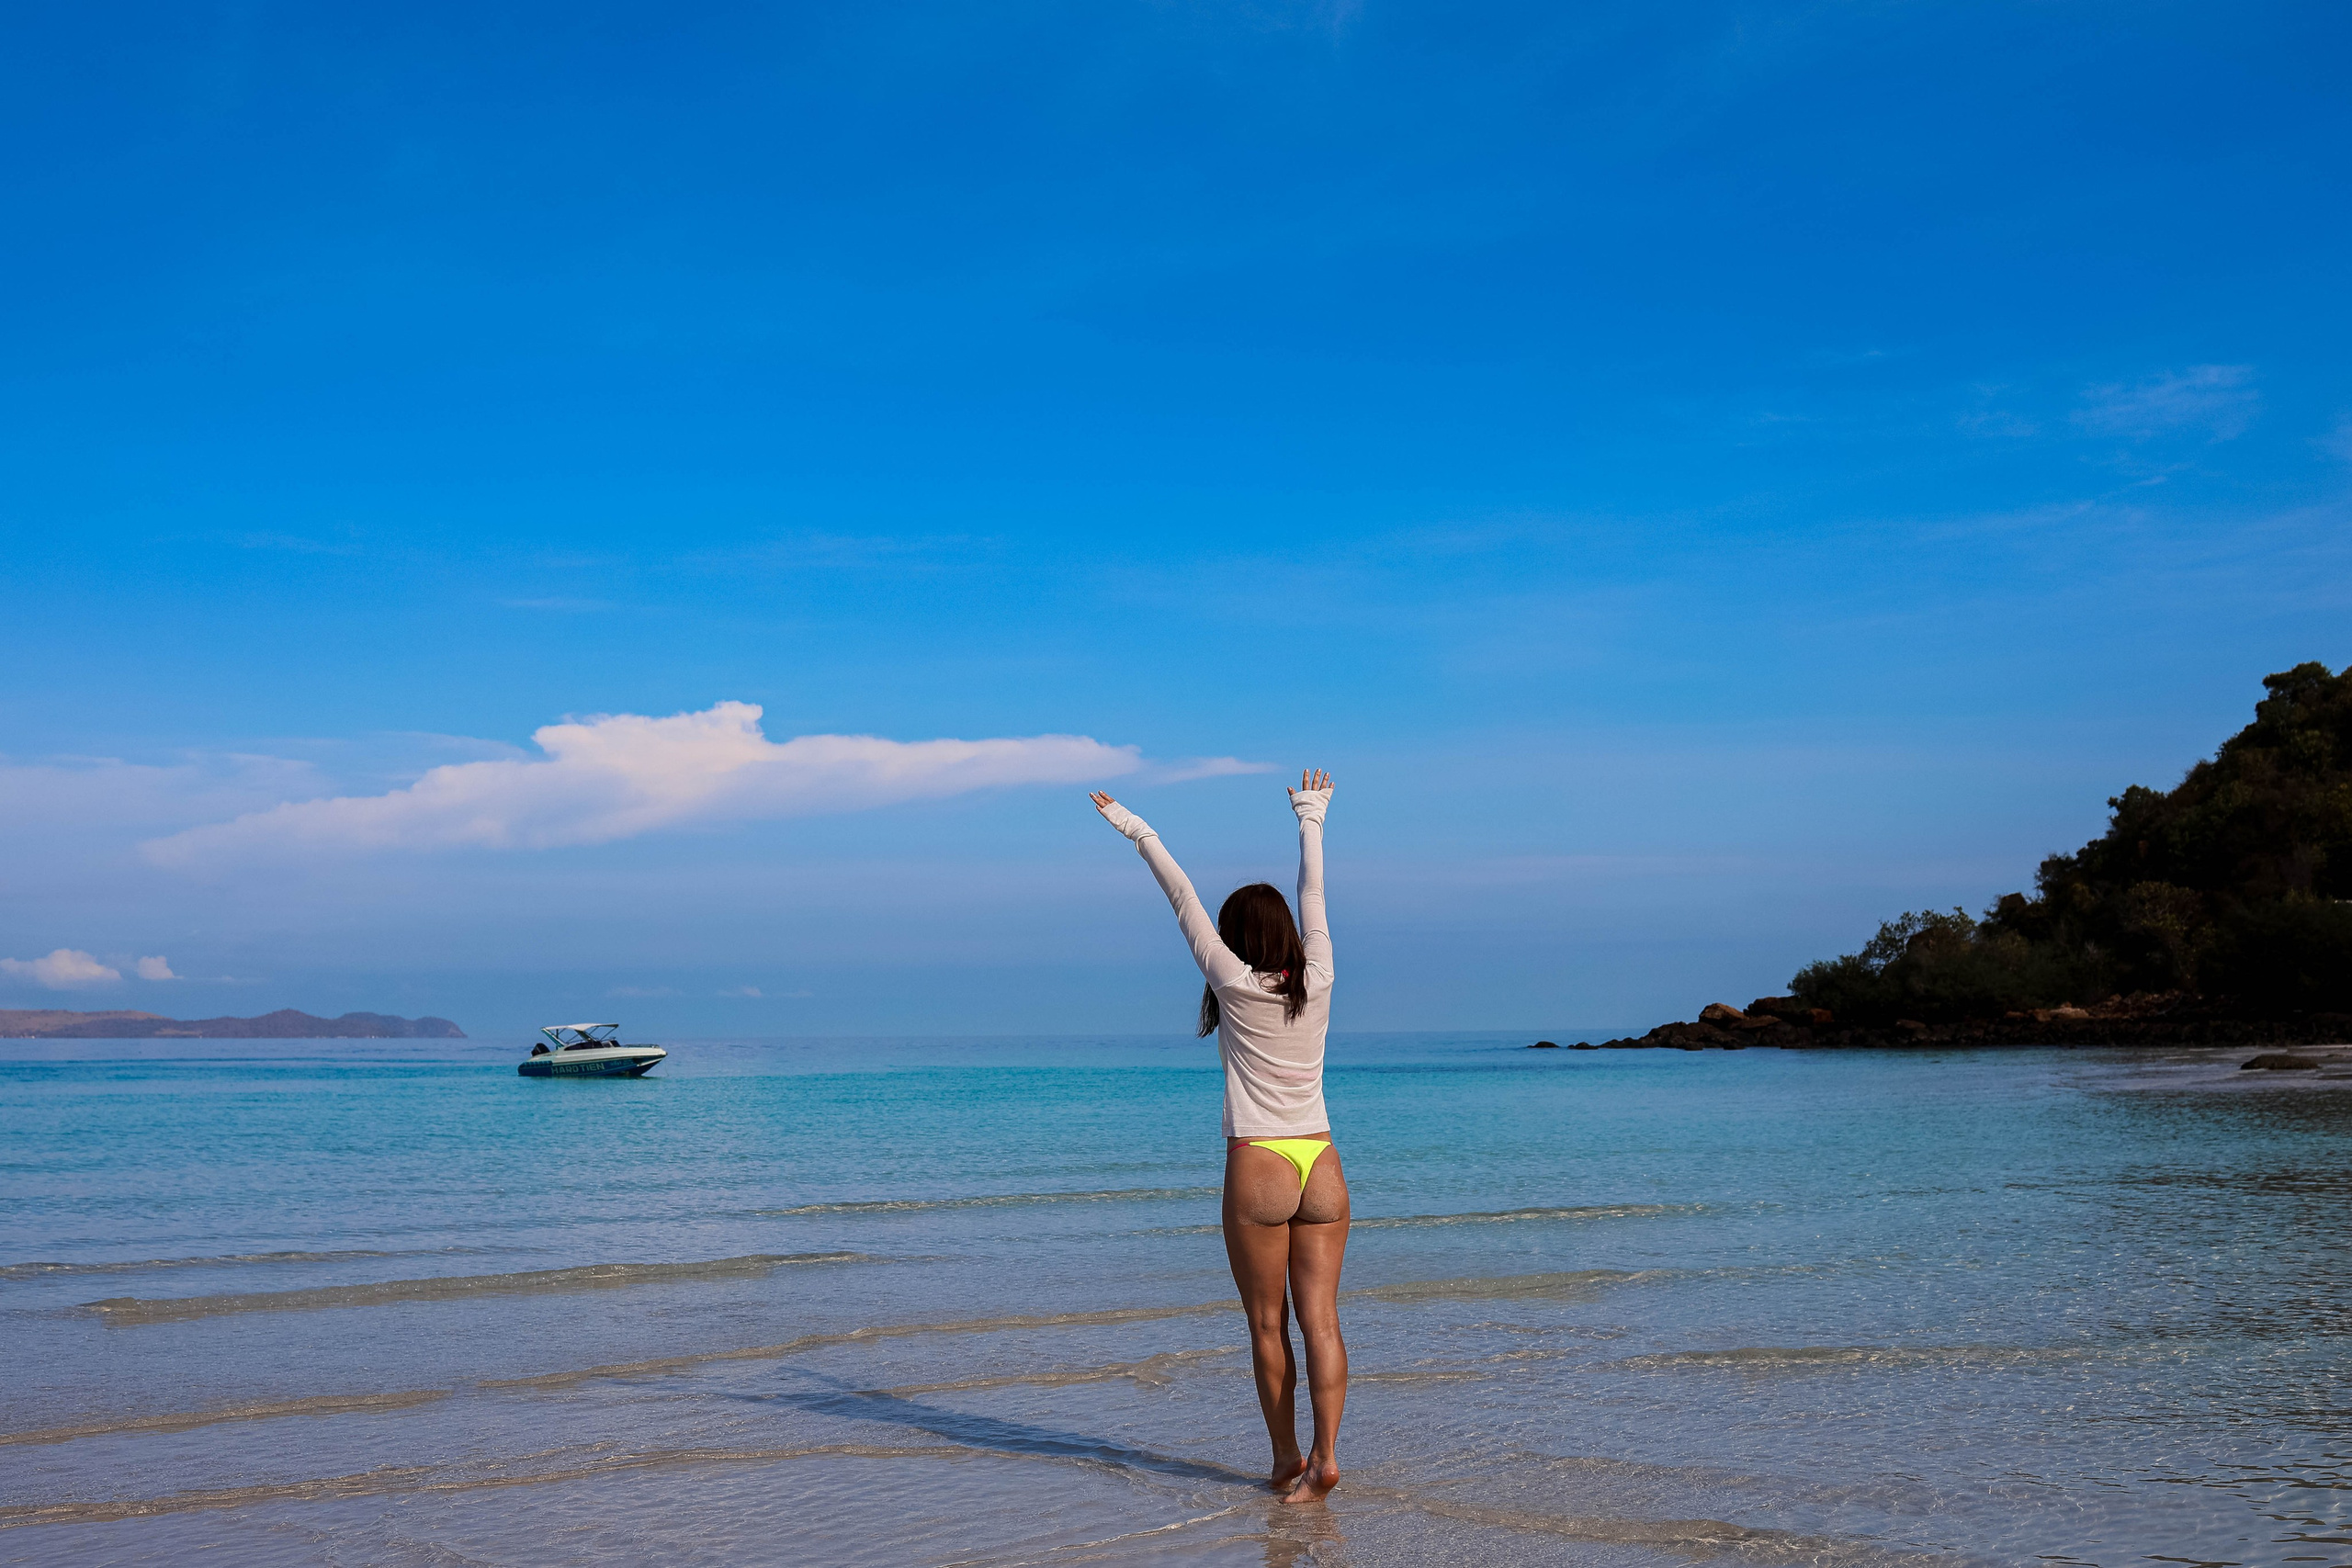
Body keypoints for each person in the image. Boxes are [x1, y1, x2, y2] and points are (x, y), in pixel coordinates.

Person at [1089, 769, 1346, 1506]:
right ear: (1291, 938)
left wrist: (1138, 828)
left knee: (1269, 1326)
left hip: (1260, 1163)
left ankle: (1286, 1457)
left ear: (1238, 940)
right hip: (1322, 1160)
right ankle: (1327, 1456)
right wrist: (1311, 816)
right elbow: (1315, 895)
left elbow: (1182, 899)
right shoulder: (1321, 976)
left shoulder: (1233, 982)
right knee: (1321, 1321)